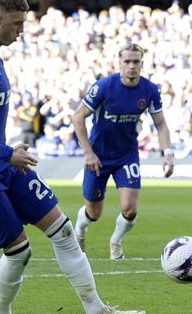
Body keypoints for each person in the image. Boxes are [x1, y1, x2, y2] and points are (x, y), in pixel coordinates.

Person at [0, 0, 145, 314]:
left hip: (4, 166)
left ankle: (97, 313)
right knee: (20, 251)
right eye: (17, 23)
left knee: (64, 231)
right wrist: (6, 152)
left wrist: (7, 153)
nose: (21, 30)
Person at [72, 43, 174, 260]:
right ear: (119, 63)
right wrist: (88, 152)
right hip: (97, 157)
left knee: (129, 209)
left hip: (126, 156)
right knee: (93, 213)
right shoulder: (104, 87)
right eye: (127, 62)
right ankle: (79, 231)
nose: (131, 66)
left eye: (136, 62)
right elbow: (77, 117)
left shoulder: (150, 90)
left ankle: (116, 242)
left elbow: (161, 124)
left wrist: (167, 153)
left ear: (142, 64)